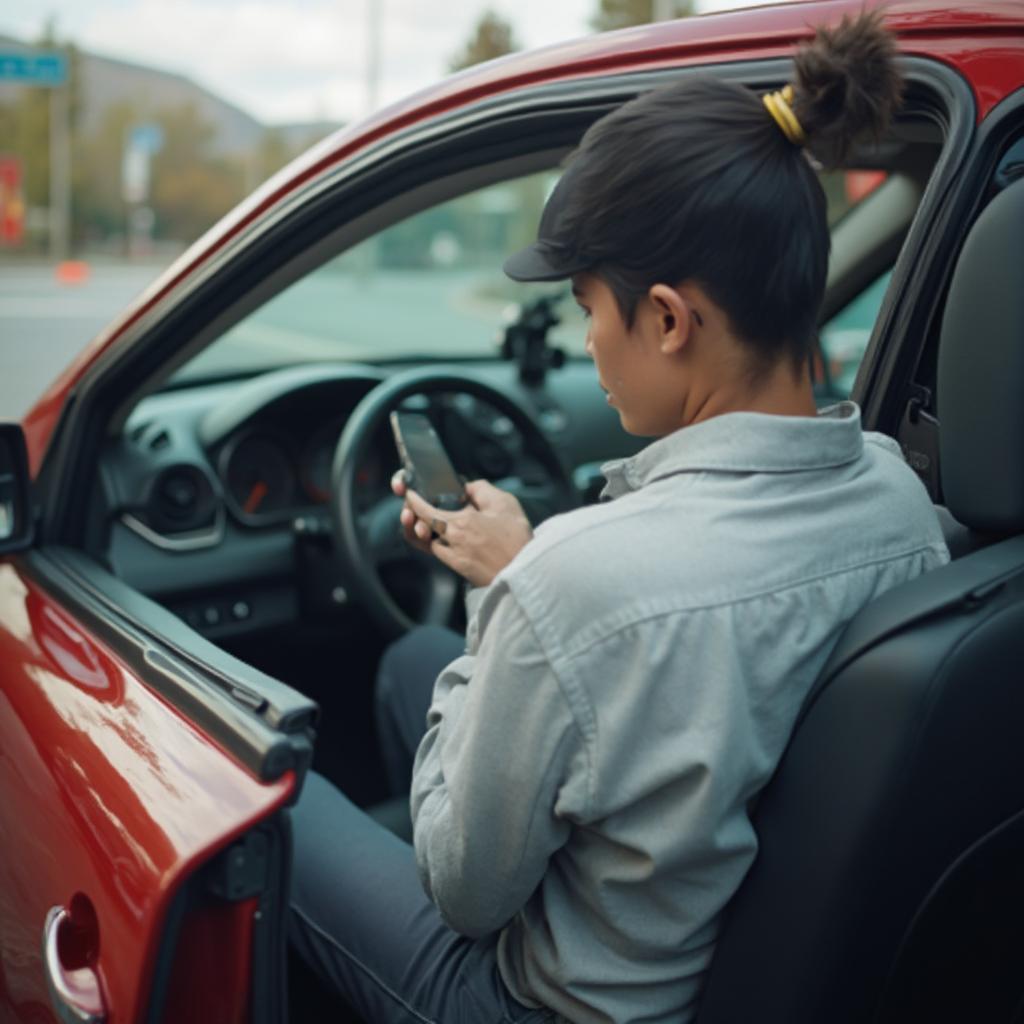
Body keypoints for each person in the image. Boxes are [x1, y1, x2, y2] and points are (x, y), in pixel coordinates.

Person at [289, 12, 950, 1024]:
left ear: (669, 319)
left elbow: (463, 891)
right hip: (751, 959)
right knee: (408, 660)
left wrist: (516, 591)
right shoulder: (899, 497)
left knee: (279, 803)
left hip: (537, 1004)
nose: (588, 343)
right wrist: (525, 578)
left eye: (590, 307)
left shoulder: (572, 585)